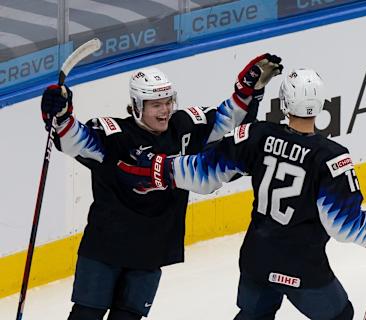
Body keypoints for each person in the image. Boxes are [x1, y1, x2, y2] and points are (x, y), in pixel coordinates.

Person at [125, 68, 366, 319]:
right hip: (301, 265)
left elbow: (206, 172)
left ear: (285, 103)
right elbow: (344, 227)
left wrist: (160, 168)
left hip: (256, 259)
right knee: (339, 315)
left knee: (253, 315)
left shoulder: (256, 135)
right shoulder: (331, 158)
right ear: (320, 105)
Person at [39, 54, 283, 320]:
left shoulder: (185, 126)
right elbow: (75, 139)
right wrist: (61, 115)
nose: (165, 111)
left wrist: (248, 90)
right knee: (86, 314)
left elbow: (228, 119)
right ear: (136, 105)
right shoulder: (113, 135)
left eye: (168, 102)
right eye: (156, 105)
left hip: (151, 250)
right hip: (106, 247)